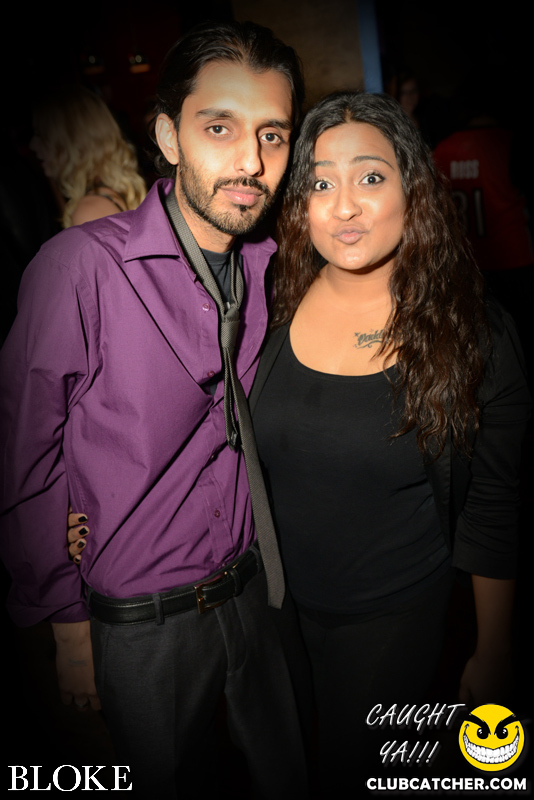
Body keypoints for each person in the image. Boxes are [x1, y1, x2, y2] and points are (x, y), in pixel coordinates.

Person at [0, 21, 310, 799]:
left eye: (272, 134)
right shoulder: (81, 267)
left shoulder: (274, 266)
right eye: (219, 128)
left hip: (257, 592)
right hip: (144, 624)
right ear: (169, 136)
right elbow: (27, 456)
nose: (251, 162)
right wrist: (67, 628)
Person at [246, 92, 529, 792]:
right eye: (320, 184)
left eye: (370, 177)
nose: (343, 207)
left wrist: (494, 649)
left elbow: (494, 506)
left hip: (394, 619)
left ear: (413, 188)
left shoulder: (475, 335)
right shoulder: (267, 302)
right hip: (275, 611)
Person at [30, 85, 147, 227]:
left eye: (40, 135)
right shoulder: (108, 193)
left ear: (69, 145)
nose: (32, 145)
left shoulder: (90, 209)